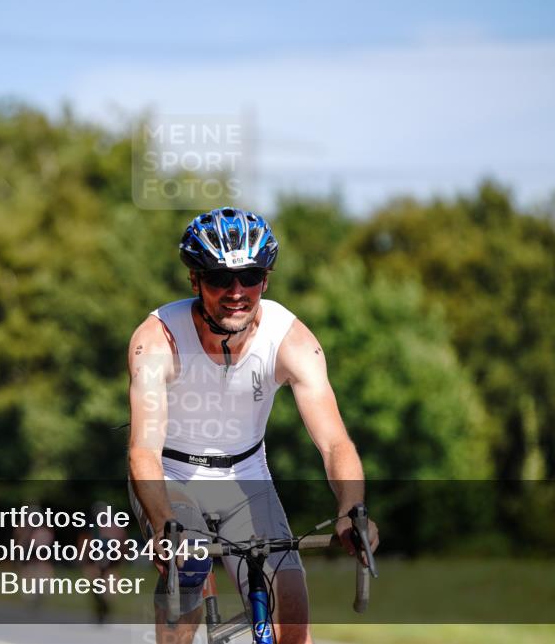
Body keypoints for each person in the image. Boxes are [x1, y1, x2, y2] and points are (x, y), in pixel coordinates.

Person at [127, 207, 380, 644]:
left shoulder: (291, 340)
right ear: (195, 281)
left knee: (293, 610)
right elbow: (143, 451)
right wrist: (164, 523)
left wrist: (350, 512)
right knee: (186, 568)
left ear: (266, 279)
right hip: (173, 474)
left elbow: (335, 443)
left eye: (250, 276)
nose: (236, 292)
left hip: (246, 474)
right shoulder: (156, 340)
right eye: (219, 279)